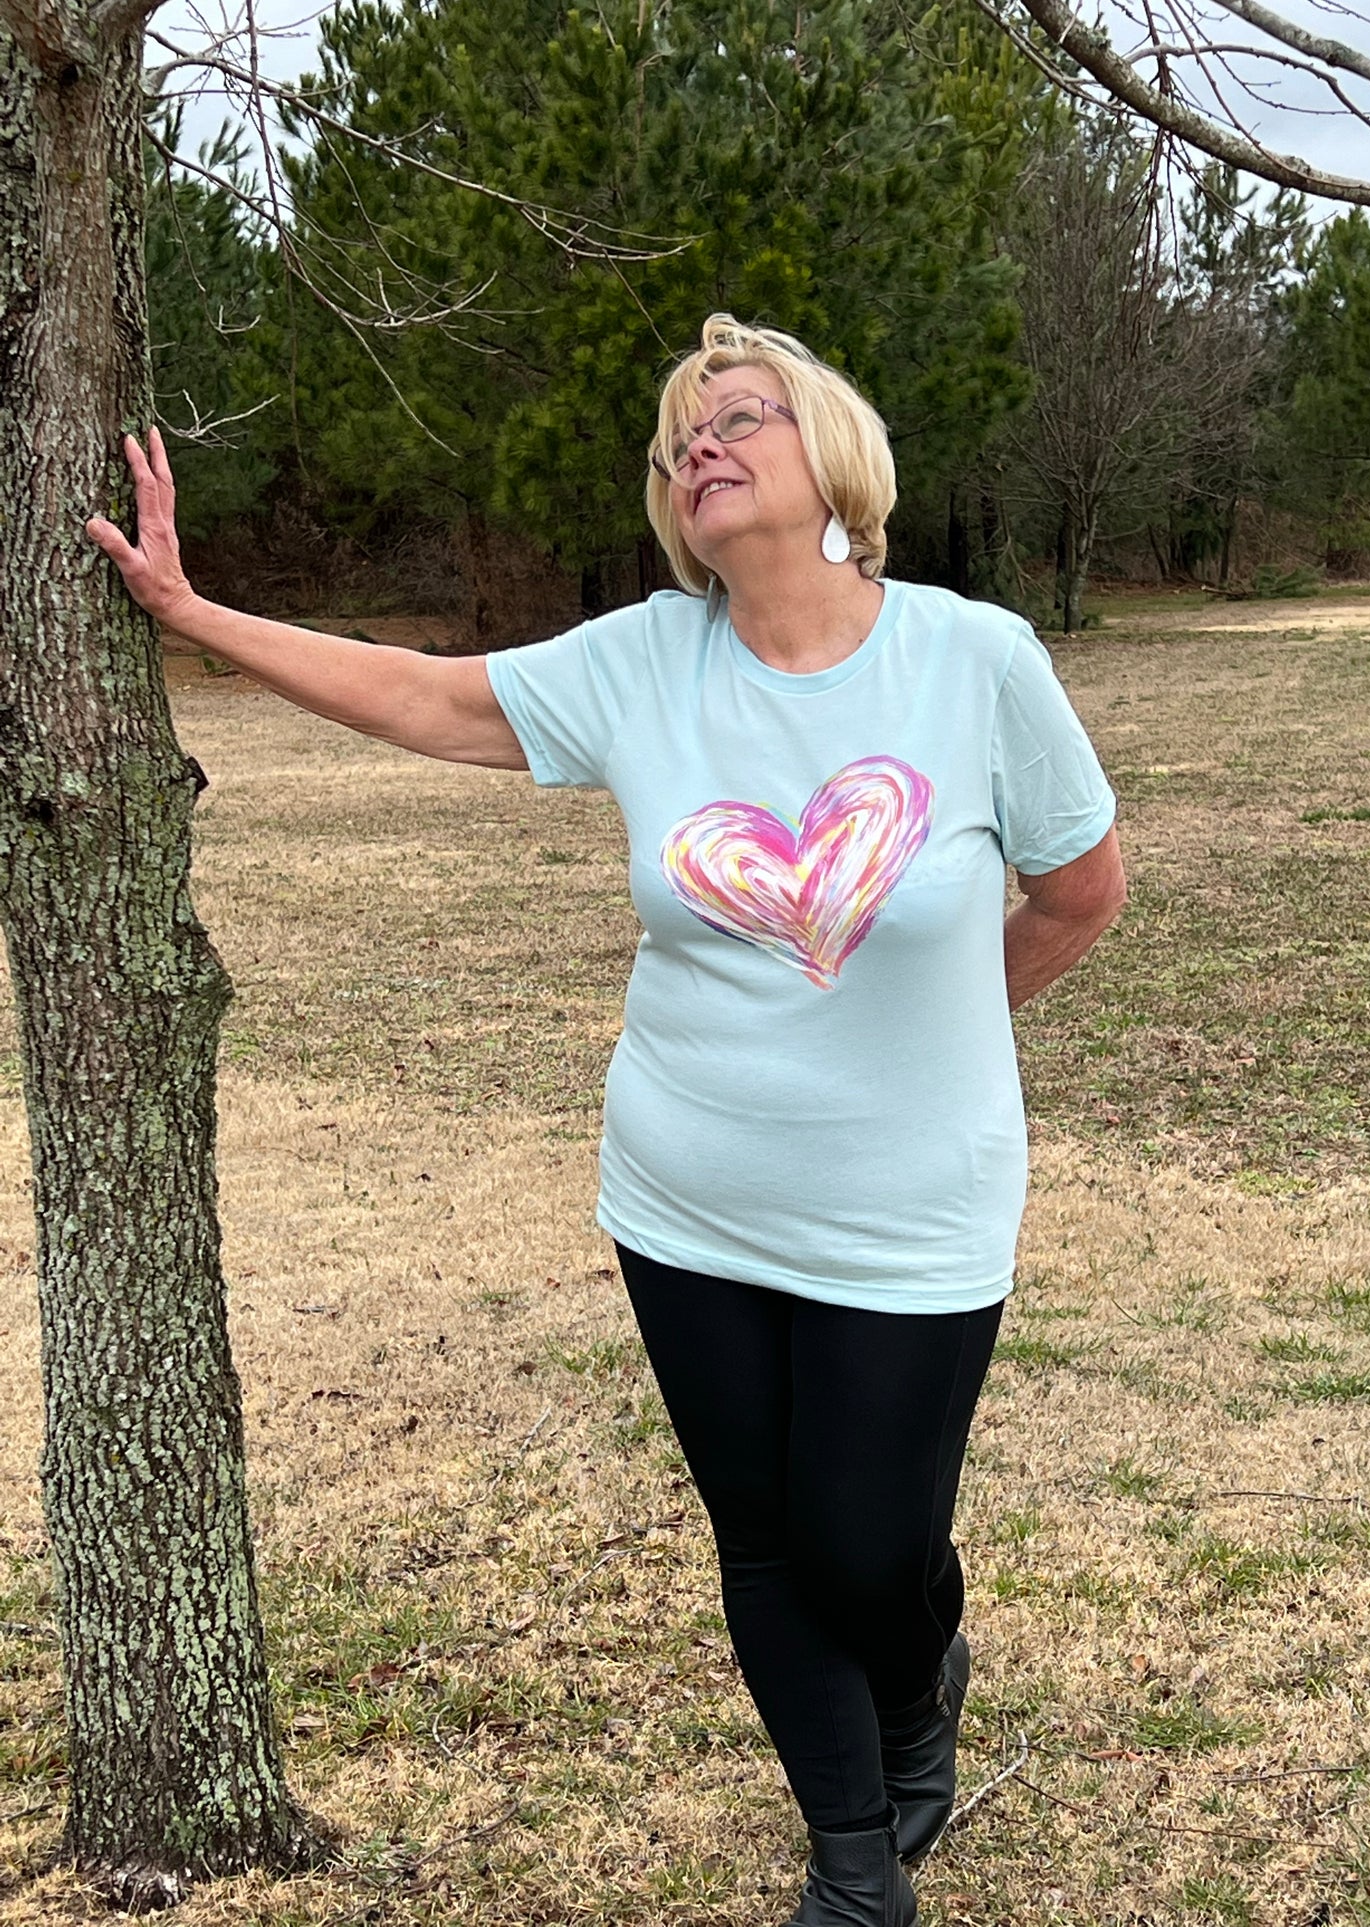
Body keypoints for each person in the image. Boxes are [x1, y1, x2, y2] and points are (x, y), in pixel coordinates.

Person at [87, 312, 1126, 1927]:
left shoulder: (973, 660)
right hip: (686, 1193)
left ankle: (920, 1689)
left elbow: (1076, 893)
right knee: (770, 1544)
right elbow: (428, 701)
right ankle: (853, 1868)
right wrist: (188, 611)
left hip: (914, 1202)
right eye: (674, 441)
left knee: (870, 1549)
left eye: (737, 417)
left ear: (830, 453)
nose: (696, 445)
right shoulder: (645, 659)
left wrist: (922, 1047)